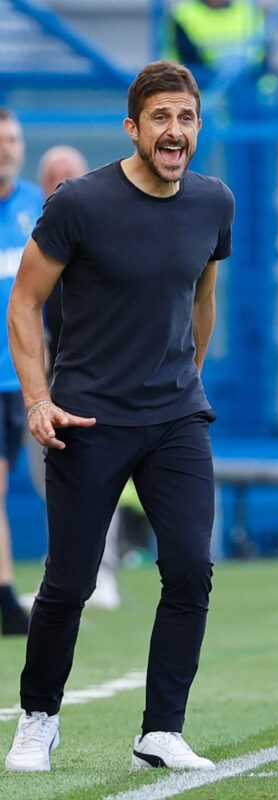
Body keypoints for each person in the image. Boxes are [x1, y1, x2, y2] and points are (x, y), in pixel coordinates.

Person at [5, 60, 234, 772]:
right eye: (161, 117)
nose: (176, 130)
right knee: (68, 582)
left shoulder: (213, 202)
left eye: (187, 118)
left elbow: (203, 298)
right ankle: (38, 719)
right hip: (87, 421)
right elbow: (25, 302)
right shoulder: (78, 203)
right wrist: (40, 400)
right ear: (133, 128)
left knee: (192, 569)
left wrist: (183, 383)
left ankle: (160, 730)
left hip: (175, 420)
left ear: (198, 128)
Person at [21, 144, 122, 613]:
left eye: (70, 175)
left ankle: (105, 571)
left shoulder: (103, 232)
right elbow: (25, 306)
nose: (61, 184)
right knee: (52, 481)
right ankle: (63, 571)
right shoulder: (37, 239)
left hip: (101, 381)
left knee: (107, 479)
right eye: (53, 176)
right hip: (45, 381)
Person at [0, 108, 42, 637]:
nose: (6, 147)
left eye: (12, 139)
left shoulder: (38, 207)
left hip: (23, 377)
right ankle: (6, 596)